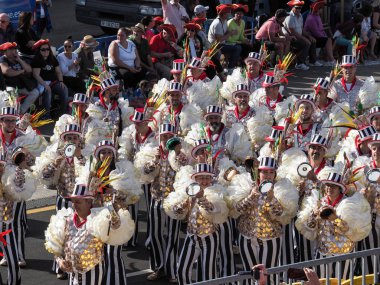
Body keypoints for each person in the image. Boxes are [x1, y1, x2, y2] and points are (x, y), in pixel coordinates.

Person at [45, 183, 134, 285]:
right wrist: (60, 261)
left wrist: (111, 204)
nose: (74, 205)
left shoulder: (98, 221)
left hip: (92, 274)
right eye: (73, 202)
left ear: (88, 202)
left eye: (78, 202)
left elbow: (116, 225)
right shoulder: (66, 219)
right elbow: (57, 247)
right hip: (72, 275)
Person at [295, 169, 371, 280]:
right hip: (322, 253)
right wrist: (313, 214)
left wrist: (335, 219)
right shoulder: (319, 202)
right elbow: (310, 227)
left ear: (340, 189)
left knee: (342, 282)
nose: (330, 188)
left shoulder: (349, 204)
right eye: (328, 185)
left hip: (343, 254)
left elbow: (350, 230)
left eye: (333, 186)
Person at [165, 163, 228, 285]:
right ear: (195, 179)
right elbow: (177, 212)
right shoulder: (189, 192)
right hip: (191, 237)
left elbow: (214, 209)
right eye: (201, 177)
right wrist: (184, 204)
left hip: (209, 238)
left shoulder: (215, 192)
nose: (204, 181)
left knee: (209, 275)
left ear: (211, 179)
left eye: (206, 177)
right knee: (182, 270)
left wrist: (201, 198)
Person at [39, 122, 86, 280]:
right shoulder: (57, 153)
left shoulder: (84, 154)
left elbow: (92, 174)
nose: (72, 140)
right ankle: (59, 266)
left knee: (78, 234)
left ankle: (76, 265)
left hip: (80, 201)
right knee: (61, 232)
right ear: (64, 139)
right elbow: (44, 176)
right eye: (68, 137)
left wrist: (79, 156)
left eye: (74, 137)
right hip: (63, 199)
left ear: (79, 139)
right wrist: (54, 164)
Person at [31, 39, 69, 118]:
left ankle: (62, 114)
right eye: (43, 49)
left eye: (48, 49)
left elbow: (58, 71)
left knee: (64, 89)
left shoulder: (52, 58)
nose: (46, 51)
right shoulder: (37, 60)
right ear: (39, 50)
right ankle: (46, 115)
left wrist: (61, 81)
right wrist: (45, 85)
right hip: (41, 82)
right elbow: (36, 75)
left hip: (53, 82)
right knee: (48, 92)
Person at [0, 42, 39, 114]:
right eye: (10, 49)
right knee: (13, 94)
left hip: (21, 86)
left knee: (35, 92)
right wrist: (21, 71)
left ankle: (20, 112)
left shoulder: (18, 58)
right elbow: (7, 72)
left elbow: (29, 70)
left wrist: (19, 60)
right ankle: (14, 114)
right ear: (5, 52)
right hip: (10, 86)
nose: (14, 51)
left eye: (14, 49)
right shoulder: (2, 60)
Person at [208, 4, 242, 69]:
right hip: (215, 46)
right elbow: (219, 40)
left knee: (239, 45)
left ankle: (233, 66)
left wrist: (231, 31)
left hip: (222, 44)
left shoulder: (224, 20)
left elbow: (225, 32)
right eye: (227, 13)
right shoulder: (217, 23)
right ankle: (230, 68)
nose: (229, 14)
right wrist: (231, 33)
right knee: (237, 48)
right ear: (223, 14)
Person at [303, 1, 336, 66]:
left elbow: (321, 30)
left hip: (316, 37)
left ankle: (328, 59)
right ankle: (331, 60)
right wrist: (325, 37)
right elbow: (316, 32)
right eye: (321, 9)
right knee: (328, 40)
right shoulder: (311, 18)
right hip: (311, 37)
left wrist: (325, 36)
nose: (322, 10)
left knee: (330, 39)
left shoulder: (317, 16)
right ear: (317, 10)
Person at [282, 0, 311, 70]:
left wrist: (309, 36)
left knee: (312, 40)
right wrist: (304, 38)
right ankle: (300, 63)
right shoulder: (290, 17)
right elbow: (292, 32)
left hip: (298, 37)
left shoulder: (300, 15)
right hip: (292, 38)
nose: (299, 9)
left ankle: (312, 61)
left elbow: (301, 29)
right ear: (292, 8)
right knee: (306, 43)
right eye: (297, 7)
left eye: (300, 8)